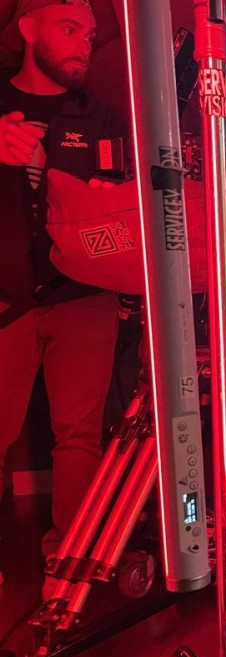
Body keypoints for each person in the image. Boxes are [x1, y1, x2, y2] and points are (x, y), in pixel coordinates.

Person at [0, 0, 126, 587]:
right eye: (69, 29)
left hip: (84, 298)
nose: (83, 45)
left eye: (90, 35)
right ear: (28, 29)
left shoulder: (101, 118)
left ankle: (69, 562)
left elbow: (121, 212)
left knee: (79, 436)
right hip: (6, 300)